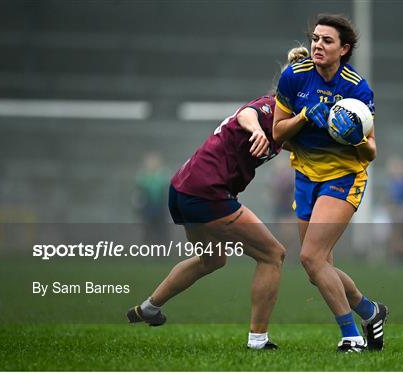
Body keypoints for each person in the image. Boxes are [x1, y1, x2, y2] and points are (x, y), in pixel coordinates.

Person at [126, 48, 310, 350]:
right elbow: (247, 114)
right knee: (273, 254)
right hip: (206, 191)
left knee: (212, 259)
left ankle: (149, 307)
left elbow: (298, 146)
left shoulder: (283, 125)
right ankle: (257, 340)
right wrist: (256, 131)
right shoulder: (269, 107)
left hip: (183, 188)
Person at [273, 14, 388, 353]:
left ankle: (351, 336)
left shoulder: (356, 87)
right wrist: (305, 116)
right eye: (316, 39)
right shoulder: (294, 78)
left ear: (344, 49)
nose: (318, 45)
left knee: (310, 257)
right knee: (318, 266)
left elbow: (371, 150)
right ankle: (371, 311)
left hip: (343, 176)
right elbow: (278, 132)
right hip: (306, 177)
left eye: (327, 41)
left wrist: (352, 133)